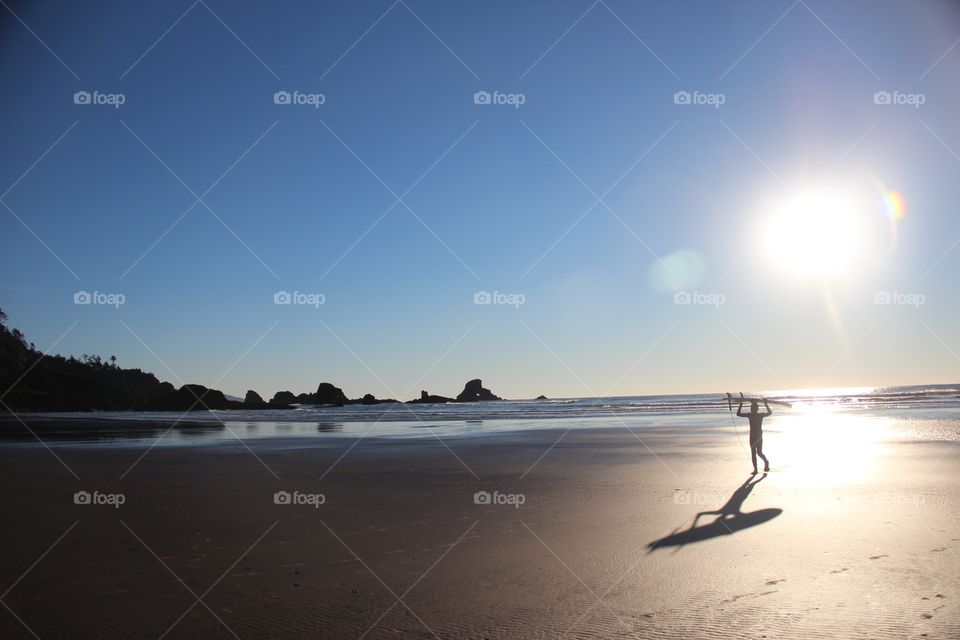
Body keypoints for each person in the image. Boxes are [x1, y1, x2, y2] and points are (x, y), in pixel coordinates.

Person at [737, 399, 771, 474]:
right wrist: (740, 405)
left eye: (753, 408)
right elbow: (738, 414)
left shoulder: (760, 415)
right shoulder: (750, 415)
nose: (752, 409)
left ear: (757, 409)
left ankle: (766, 462)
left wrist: (766, 404)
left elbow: (769, 413)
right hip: (752, 436)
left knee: (759, 452)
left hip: (758, 436)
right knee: (753, 453)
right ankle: (755, 470)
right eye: (751, 408)